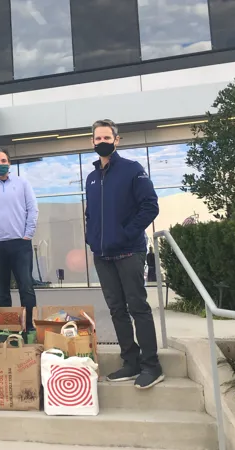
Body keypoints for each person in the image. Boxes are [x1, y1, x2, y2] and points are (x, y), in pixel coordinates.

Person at [84, 119, 163, 389]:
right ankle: (130, 362)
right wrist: (91, 238)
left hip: (129, 251)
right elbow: (91, 214)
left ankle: (151, 365)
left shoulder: (132, 170)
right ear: (92, 142)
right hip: (102, 255)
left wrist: (126, 233)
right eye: (97, 138)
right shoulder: (92, 177)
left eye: (107, 138)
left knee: (137, 307)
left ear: (117, 140)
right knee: (117, 310)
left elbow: (150, 206)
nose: (102, 142)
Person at [0, 148, 39, 330]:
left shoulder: (22, 184)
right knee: (1, 291)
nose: (0, 164)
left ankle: (29, 327)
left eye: (4, 161)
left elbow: (33, 209)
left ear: (9, 163)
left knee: (26, 288)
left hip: (20, 243)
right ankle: (8, 327)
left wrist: (28, 234)